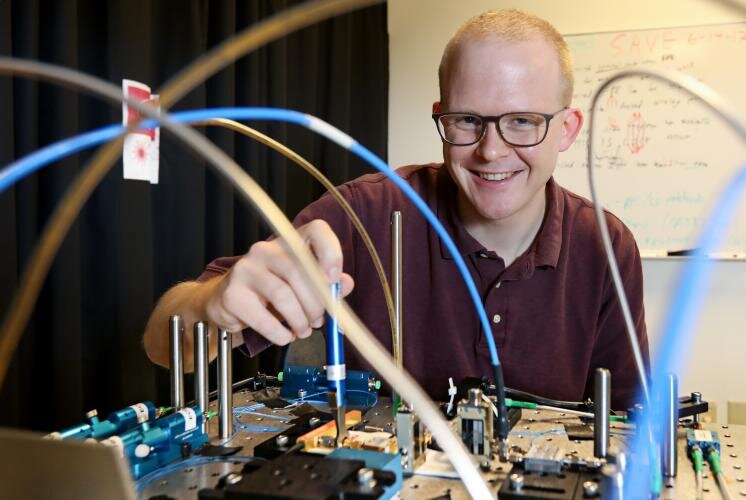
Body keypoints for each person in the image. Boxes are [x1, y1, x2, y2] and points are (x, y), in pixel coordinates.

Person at [143, 9, 649, 409]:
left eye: (522, 121)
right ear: (440, 117)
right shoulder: (363, 214)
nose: (492, 151)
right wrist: (212, 306)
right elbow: (162, 345)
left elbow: (630, 423)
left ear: (567, 129)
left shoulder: (605, 245)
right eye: (467, 120)